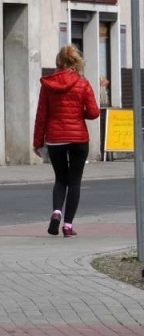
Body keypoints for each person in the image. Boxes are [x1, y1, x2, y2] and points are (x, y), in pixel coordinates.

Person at [33, 44, 100, 237]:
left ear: (58, 63)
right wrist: (79, 114)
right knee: (75, 181)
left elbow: (41, 115)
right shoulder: (82, 83)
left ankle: (56, 212)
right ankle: (68, 225)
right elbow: (94, 112)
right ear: (76, 62)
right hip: (78, 138)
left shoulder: (48, 85)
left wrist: (37, 142)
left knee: (60, 179)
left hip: (55, 138)